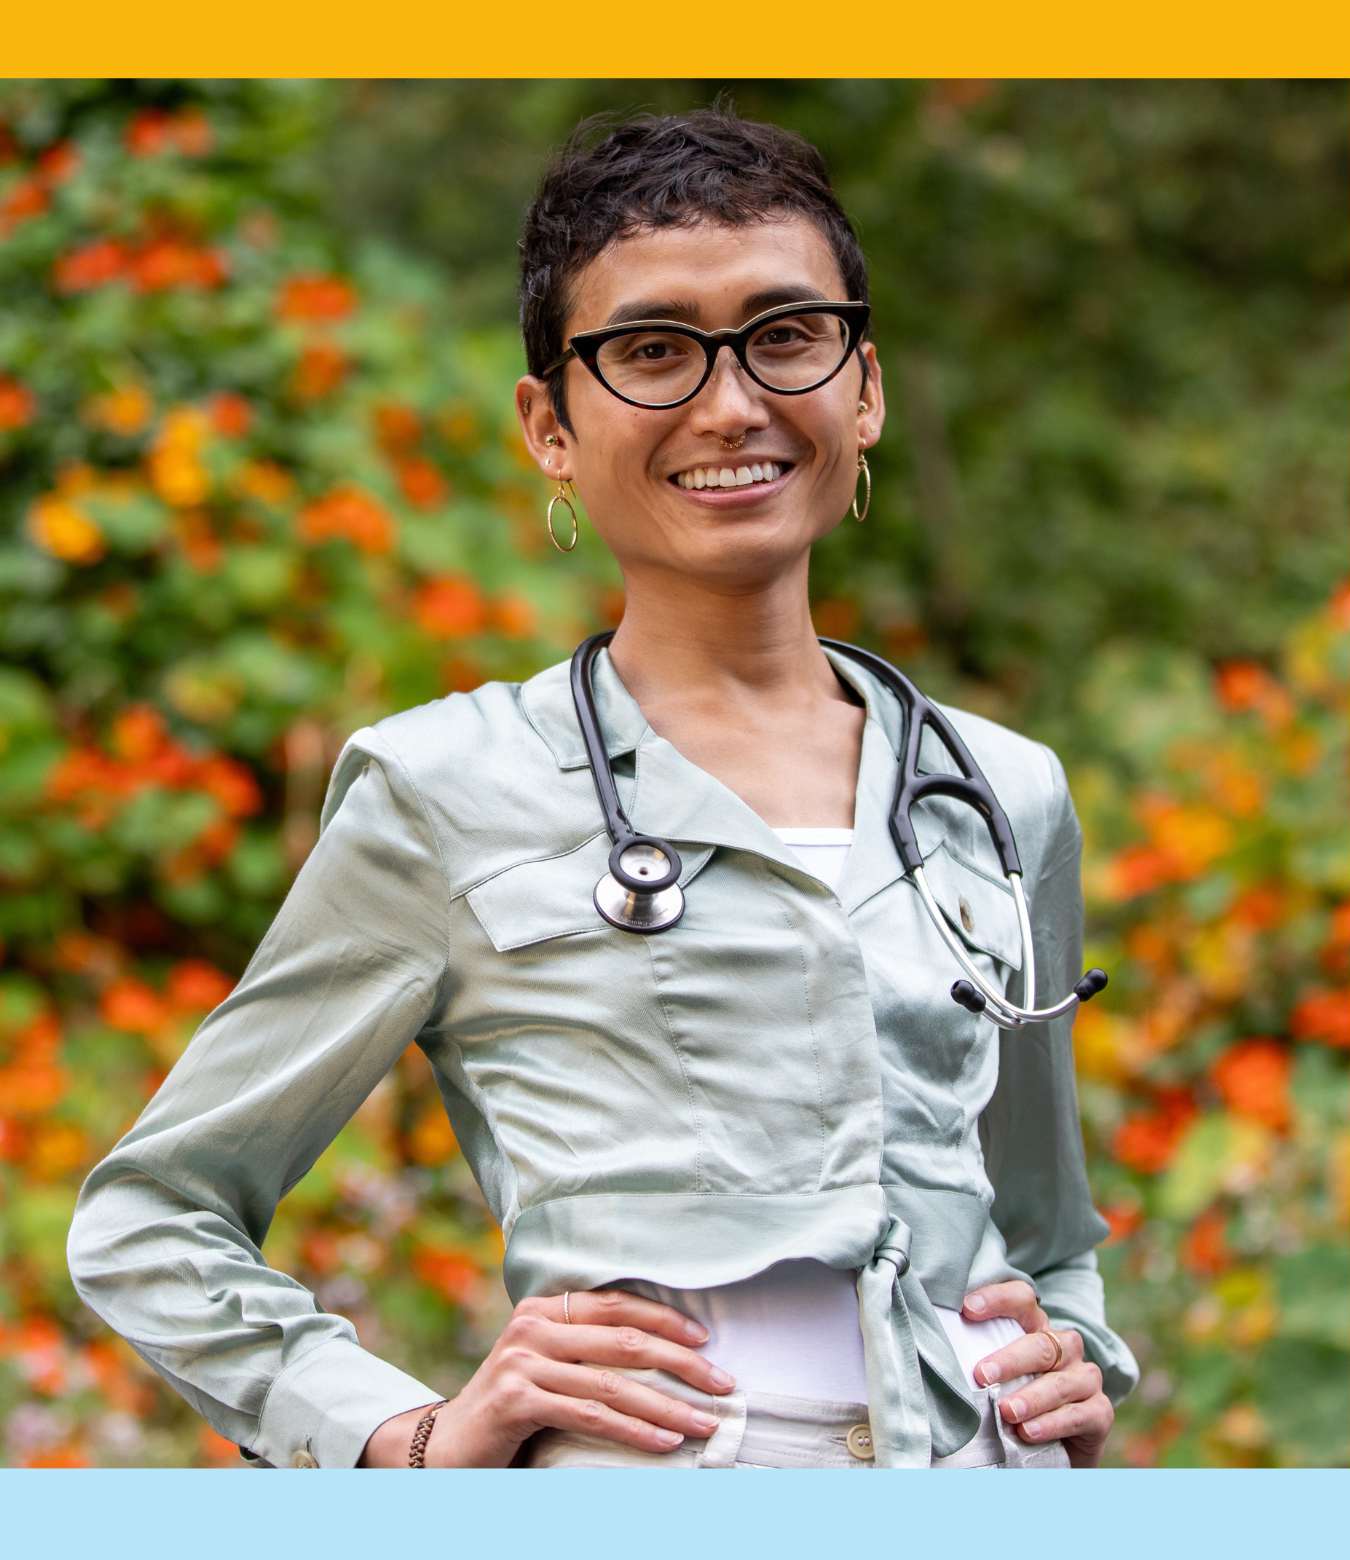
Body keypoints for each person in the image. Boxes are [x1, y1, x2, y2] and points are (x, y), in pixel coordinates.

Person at [67, 107, 1139, 1471]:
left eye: (786, 334)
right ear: (550, 426)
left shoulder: (1000, 790)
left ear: (863, 386)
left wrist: (1073, 1360)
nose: (732, 402)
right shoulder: (442, 792)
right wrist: (400, 1438)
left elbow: (1045, 1229)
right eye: (650, 352)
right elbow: (153, 1217)